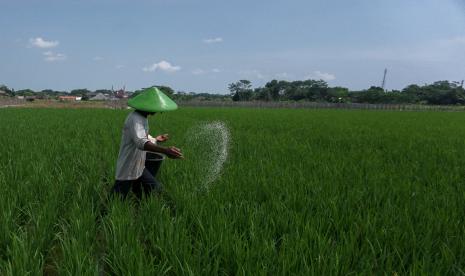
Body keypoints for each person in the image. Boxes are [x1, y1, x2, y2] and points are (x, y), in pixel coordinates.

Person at [112, 87, 183, 199]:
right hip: (128, 166)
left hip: (139, 165)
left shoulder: (142, 117)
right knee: (114, 201)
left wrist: (156, 139)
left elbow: (143, 137)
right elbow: (140, 142)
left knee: (154, 189)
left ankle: (143, 209)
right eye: (155, 107)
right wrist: (165, 151)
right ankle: (101, 216)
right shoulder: (135, 119)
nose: (157, 111)